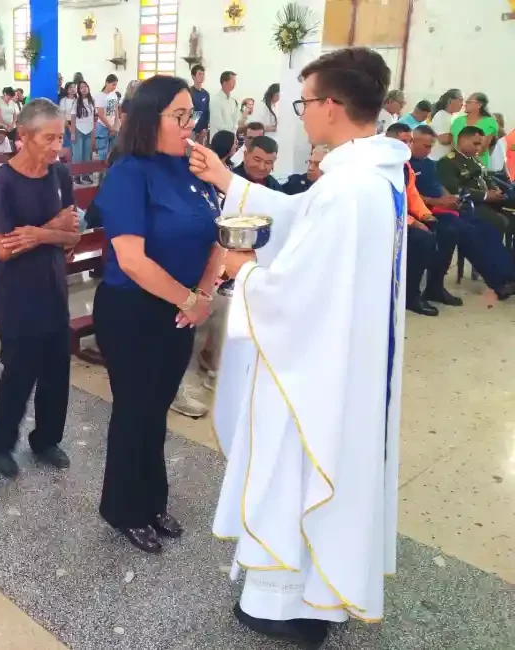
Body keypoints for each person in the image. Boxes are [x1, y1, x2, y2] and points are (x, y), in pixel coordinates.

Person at [190, 47, 405, 645]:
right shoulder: (372, 174)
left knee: (296, 469)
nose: (301, 113)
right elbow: (298, 218)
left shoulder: (348, 188)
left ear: (331, 105)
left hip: (316, 365)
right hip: (345, 357)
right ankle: (313, 596)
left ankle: (290, 605)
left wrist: (244, 273)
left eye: (304, 102)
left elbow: (297, 292)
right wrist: (228, 180)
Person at [93, 76, 223, 554]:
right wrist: (190, 300)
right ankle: (123, 509)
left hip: (181, 307)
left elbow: (219, 234)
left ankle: (152, 499)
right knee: (135, 411)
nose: (191, 125)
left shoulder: (193, 168)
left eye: (192, 115)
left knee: (157, 410)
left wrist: (203, 292)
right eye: (179, 116)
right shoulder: (129, 173)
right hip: (133, 310)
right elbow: (132, 259)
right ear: (150, 119)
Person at [0, 99, 79, 479]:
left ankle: (46, 439)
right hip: (16, 293)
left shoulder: (60, 176)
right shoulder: (5, 181)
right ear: (23, 135)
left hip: (53, 287)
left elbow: (73, 236)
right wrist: (53, 230)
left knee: (56, 370)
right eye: (48, 138)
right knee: (19, 372)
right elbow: (5, 249)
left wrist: (38, 234)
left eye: (60, 137)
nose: (57, 146)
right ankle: (0, 442)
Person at [410, 125, 515, 301]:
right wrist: (439, 201)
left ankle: (507, 278)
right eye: (425, 146)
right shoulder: (407, 165)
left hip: (445, 208)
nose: (429, 151)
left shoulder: (429, 164)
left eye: (431, 146)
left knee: (486, 228)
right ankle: (498, 281)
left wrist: (449, 199)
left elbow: (441, 187)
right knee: (462, 230)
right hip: (424, 213)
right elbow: (410, 196)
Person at [385, 122, 443, 316]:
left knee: (440, 229)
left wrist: (425, 215)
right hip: (383, 219)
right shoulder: (381, 166)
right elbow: (388, 202)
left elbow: (411, 194)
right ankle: (410, 296)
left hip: (401, 216)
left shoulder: (405, 166)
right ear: (389, 141)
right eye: (403, 141)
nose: (408, 145)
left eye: (410, 141)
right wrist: (414, 222)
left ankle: (434, 287)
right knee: (422, 239)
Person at [438, 126, 515, 237]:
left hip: (488, 199)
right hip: (469, 203)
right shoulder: (447, 162)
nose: (479, 148)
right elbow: (455, 190)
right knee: (499, 221)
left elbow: (487, 178)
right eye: (476, 144)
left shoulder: (475, 159)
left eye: (480, 144)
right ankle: (493, 247)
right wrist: (485, 195)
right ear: (463, 141)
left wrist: (496, 190)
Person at [451, 93, 498, 168]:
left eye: (469, 102)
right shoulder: (458, 121)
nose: (465, 104)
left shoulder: (489, 122)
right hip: (456, 164)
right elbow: (453, 144)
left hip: (477, 165)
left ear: (479, 105)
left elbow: (481, 148)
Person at [71, 81, 96, 181]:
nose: (84, 89)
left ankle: (85, 175)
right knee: (78, 155)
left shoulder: (92, 101)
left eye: (85, 86)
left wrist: (93, 130)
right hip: (78, 130)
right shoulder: (76, 101)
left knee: (87, 155)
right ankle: (76, 176)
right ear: (79, 90)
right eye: (81, 87)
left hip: (89, 131)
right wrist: (73, 133)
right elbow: (73, 117)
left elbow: (93, 117)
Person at [428, 89, 463, 161]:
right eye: (460, 100)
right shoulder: (441, 115)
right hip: (438, 160)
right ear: (450, 101)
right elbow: (444, 140)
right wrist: (462, 136)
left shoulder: (454, 116)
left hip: (448, 160)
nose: (462, 104)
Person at [95, 74, 120, 162]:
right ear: (106, 83)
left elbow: (116, 111)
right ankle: (102, 170)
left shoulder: (114, 95)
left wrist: (116, 124)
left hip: (113, 126)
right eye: (113, 85)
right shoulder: (99, 96)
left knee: (113, 152)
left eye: (115, 85)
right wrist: (110, 127)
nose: (114, 87)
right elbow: (100, 114)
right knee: (103, 152)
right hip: (103, 127)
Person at [211, 71, 239, 135]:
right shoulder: (216, 100)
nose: (235, 84)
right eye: (233, 81)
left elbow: (235, 121)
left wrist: (233, 133)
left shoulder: (234, 100)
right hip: (219, 136)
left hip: (232, 136)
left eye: (235, 81)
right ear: (224, 82)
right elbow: (218, 123)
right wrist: (230, 132)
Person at [189, 65, 210, 143]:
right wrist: (192, 128)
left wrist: (205, 128)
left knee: (200, 150)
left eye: (203, 74)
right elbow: (189, 112)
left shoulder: (206, 94)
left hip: (202, 131)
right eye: (199, 74)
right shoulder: (189, 92)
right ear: (193, 76)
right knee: (190, 149)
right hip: (191, 130)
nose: (202, 76)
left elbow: (206, 112)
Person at [59, 81, 77, 151]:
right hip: (66, 125)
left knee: (75, 145)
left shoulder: (78, 100)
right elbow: (62, 115)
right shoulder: (63, 100)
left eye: (74, 87)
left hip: (76, 125)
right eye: (70, 87)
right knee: (68, 145)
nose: (73, 89)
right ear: (67, 90)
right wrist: (69, 126)